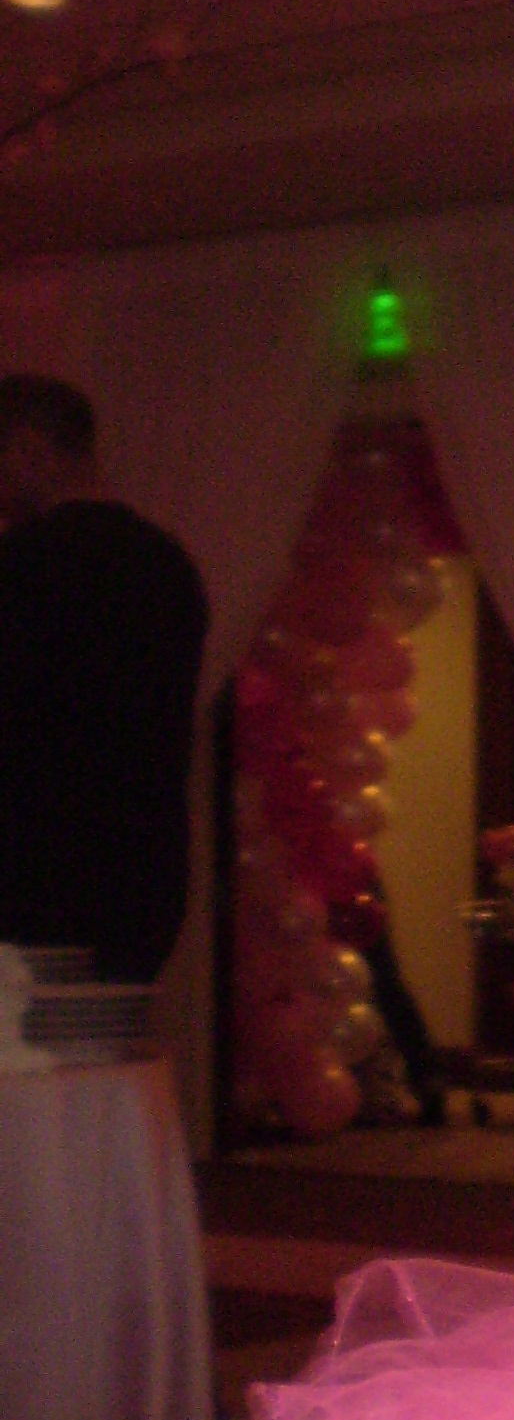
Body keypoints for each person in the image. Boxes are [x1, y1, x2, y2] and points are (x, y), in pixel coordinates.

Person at [0, 373, 209, 981]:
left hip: (33, 880)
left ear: (28, 451)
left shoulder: (22, 567)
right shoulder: (168, 566)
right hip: (145, 883)